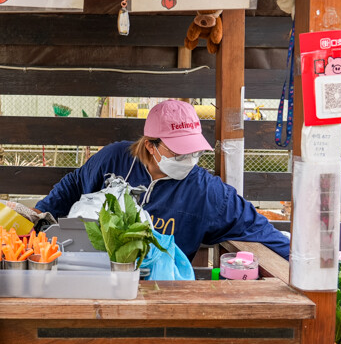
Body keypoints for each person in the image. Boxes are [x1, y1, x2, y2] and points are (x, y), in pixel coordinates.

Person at [34, 99, 290, 262]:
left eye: (194, 151)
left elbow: (257, 229)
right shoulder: (113, 159)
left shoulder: (207, 192)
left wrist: (301, 259)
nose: (188, 159)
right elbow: (75, 184)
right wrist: (37, 216)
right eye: (178, 151)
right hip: (92, 278)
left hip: (161, 291)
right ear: (150, 145)